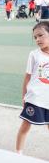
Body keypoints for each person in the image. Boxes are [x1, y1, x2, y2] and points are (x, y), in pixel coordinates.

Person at [16, 21, 49, 154]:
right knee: (25, 125)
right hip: (35, 98)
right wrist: (24, 96)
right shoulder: (34, 54)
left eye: (41, 35)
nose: (37, 39)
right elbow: (27, 77)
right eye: (35, 37)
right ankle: (18, 153)